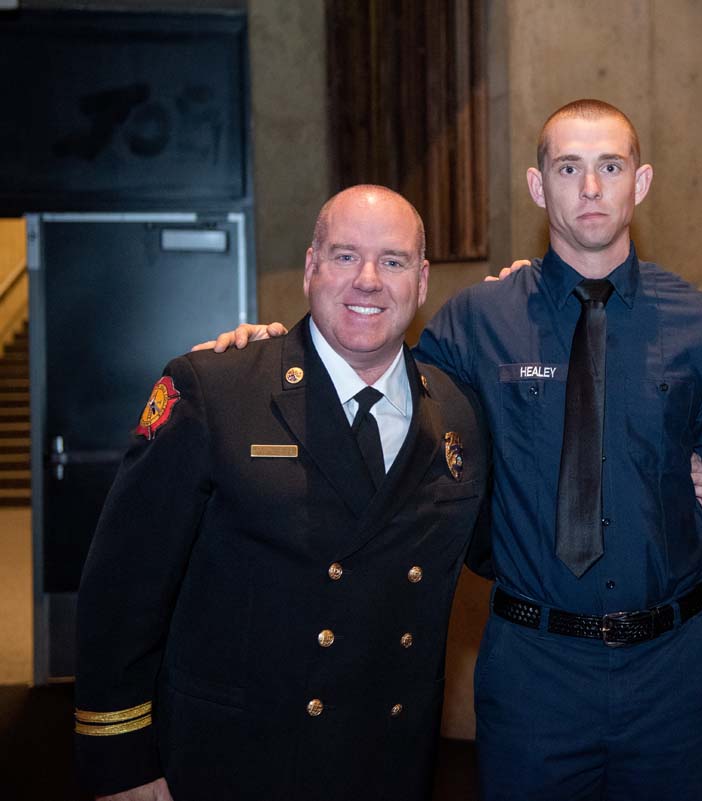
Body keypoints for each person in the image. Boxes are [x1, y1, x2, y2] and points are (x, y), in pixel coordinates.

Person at [211, 100, 702, 801]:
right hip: (533, 670)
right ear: (538, 186)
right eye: (569, 167)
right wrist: (271, 358)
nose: (590, 188)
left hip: (672, 671)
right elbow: (378, 396)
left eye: (609, 167)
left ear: (640, 182)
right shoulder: (474, 322)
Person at [73, 185, 491, 801]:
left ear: (422, 280)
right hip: (237, 760)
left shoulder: (457, 409)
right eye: (346, 256)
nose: (368, 280)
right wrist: (122, 760)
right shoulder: (217, 390)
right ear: (310, 268)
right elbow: (123, 584)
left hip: (391, 761)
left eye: (394, 261)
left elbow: (507, 546)